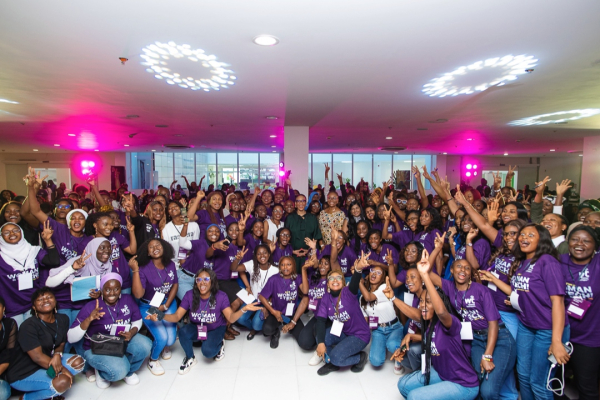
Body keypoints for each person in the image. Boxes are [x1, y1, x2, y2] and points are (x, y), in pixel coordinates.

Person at [479, 224, 569, 400]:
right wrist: (493, 279)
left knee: (539, 382)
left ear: (542, 239)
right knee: (523, 376)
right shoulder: (522, 262)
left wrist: (557, 341)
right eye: (522, 234)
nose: (524, 238)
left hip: (547, 328)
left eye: (530, 235)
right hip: (527, 326)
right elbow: (517, 292)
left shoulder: (547, 261)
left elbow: (558, 302)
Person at [426, 239, 517, 400]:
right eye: (459, 266)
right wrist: (437, 249)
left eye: (467, 268)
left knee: (489, 391)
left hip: (499, 338)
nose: (463, 270)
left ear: (470, 273)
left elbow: (493, 324)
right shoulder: (449, 287)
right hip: (476, 339)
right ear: (452, 270)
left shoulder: (481, 290)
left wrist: (487, 356)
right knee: (476, 380)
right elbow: (427, 272)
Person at [394, 250, 479, 400]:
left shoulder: (451, 323)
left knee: (414, 396)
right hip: (442, 373)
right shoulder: (429, 325)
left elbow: (441, 312)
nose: (422, 306)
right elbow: (430, 339)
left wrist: (425, 275)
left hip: (463, 383)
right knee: (403, 385)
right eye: (421, 302)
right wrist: (410, 337)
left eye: (428, 302)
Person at [146, 268, 261, 374]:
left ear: (212, 281)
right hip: (197, 326)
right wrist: (160, 315)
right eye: (199, 279)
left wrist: (244, 309)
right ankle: (190, 358)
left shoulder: (221, 296)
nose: (202, 283)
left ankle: (220, 343)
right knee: (183, 332)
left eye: (206, 279)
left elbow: (230, 318)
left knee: (208, 352)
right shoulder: (189, 295)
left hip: (216, 327)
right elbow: (177, 316)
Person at [67, 273, 151, 388]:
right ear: (102, 289)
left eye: (116, 289)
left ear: (121, 289)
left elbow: (137, 320)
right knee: (118, 371)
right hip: (97, 347)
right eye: (107, 290)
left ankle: (128, 372)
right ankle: (101, 371)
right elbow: (71, 338)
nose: (112, 293)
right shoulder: (92, 306)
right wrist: (88, 319)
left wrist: (131, 332)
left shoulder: (127, 299)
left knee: (145, 345)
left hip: (120, 341)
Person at [7, 288, 85, 400]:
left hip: (46, 362)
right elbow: (37, 357)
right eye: (40, 299)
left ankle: (49, 389)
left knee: (78, 362)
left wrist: (57, 354)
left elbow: (61, 343)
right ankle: (26, 397)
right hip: (24, 372)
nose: (45, 300)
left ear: (55, 301)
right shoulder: (28, 326)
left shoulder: (63, 319)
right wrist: (63, 370)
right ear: (34, 307)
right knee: (63, 382)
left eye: (49, 297)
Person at [559, 225, 600, 400]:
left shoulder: (598, 263)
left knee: (586, 386)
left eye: (586, 241)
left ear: (595, 246)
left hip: (588, 339)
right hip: (559, 336)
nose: (579, 244)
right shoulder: (557, 261)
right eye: (575, 239)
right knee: (552, 383)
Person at [314, 253, 371, 376]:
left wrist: (358, 269)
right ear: (327, 284)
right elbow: (321, 321)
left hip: (359, 335)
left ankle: (360, 357)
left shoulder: (348, 293)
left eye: (338, 278)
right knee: (320, 338)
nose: (335, 280)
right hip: (343, 332)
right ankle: (331, 361)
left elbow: (355, 281)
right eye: (331, 278)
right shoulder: (325, 298)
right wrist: (321, 343)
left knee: (337, 357)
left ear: (343, 282)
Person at [129, 239, 178, 376]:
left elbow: (175, 285)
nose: (155, 248)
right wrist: (135, 271)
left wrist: (165, 306)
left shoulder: (171, 264)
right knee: (162, 338)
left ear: (164, 248)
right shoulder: (143, 268)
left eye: (158, 245)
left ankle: (164, 346)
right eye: (151, 247)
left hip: (167, 302)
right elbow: (138, 294)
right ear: (148, 253)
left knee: (170, 340)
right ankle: (153, 360)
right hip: (148, 305)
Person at [0, 222, 59, 326]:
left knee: (34, 333)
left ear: (22, 232)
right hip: (12, 306)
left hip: (34, 304)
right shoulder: (1, 256)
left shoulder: (33, 251)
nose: (12, 234)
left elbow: (54, 261)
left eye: (15, 230)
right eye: (6, 232)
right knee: (17, 335)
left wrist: (48, 240)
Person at [358, 263, 403, 372]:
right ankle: (384, 345)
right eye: (372, 271)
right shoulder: (361, 298)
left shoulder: (384, 288)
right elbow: (366, 320)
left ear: (382, 277)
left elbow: (369, 297)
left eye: (378, 273)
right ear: (368, 275)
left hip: (394, 327)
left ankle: (398, 357)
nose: (374, 274)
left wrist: (359, 282)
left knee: (392, 345)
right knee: (375, 361)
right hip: (378, 330)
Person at [231, 245, 279, 340]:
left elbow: (276, 291)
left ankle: (256, 327)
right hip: (253, 299)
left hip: (266, 301)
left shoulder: (275, 270)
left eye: (265, 253)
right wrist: (237, 259)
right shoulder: (251, 264)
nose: (262, 256)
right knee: (240, 319)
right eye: (259, 254)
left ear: (269, 254)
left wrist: (268, 305)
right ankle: (253, 327)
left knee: (257, 325)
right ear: (255, 256)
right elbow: (234, 268)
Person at [258, 256, 305, 349]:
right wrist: (273, 311)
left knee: (303, 339)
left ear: (293, 266)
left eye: (289, 264)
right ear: (279, 267)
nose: (285, 267)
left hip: (291, 313)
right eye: (282, 265)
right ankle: (276, 332)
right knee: (266, 331)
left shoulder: (297, 278)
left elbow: (306, 292)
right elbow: (261, 296)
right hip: (276, 312)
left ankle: (288, 325)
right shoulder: (273, 279)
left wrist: (293, 322)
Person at [298, 255, 330, 364]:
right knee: (304, 342)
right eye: (321, 263)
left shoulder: (332, 280)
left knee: (319, 328)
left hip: (329, 318)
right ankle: (320, 341)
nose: (322, 266)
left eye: (326, 264)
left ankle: (321, 351)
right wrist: (303, 269)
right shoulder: (314, 278)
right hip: (317, 316)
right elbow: (305, 292)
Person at [285, 194, 323, 272]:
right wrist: (292, 251)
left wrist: (309, 251)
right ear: (295, 204)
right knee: (294, 276)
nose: (301, 203)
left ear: (306, 203)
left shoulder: (312, 218)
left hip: (309, 255)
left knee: (308, 276)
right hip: (293, 255)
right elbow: (285, 238)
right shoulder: (290, 218)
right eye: (298, 201)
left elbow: (316, 236)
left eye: (303, 201)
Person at [162, 200, 200, 267]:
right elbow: (166, 249)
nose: (173, 208)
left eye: (175, 206)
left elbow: (196, 245)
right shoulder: (166, 228)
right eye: (170, 208)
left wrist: (185, 257)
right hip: (174, 265)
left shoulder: (194, 225)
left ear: (181, 209)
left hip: (192, 263)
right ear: (168, 213)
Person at [0, 296, 17, 400]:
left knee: (2, 393)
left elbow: (9, 354)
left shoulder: (9, 324)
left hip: (3, 372)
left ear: (3, 309)